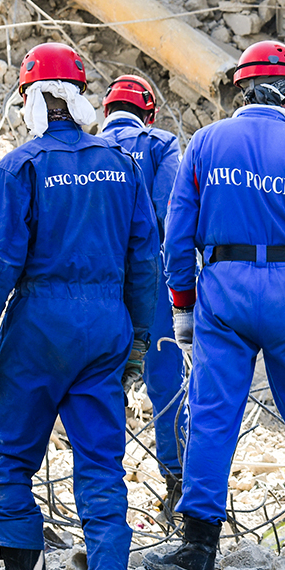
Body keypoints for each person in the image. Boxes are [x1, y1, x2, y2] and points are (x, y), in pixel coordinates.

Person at [147, 40, 285, 570]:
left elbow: (178, 236)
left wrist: (183, 306)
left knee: (213, 416)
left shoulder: (206, 144)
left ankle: (196, 552)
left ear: (242, 87)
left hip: (224, 288)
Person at [0, 42, 159, 570]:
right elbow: (146, 259)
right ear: (78, 100)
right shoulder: (123, 165)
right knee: (101, 463)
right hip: (106, 326)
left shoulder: (21, 167)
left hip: (39, 329)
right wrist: (140, 340)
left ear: (32, 99)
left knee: (6, 462)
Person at [100, 74, 186, 516]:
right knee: (165, 380)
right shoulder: (160, 144)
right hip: (148, 278)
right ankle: (177, 487)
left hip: (95, 280)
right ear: (147, 112)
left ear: (105, 111)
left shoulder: (84, 147)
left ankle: (100, 493)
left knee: (96, 382)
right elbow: (169, 213)